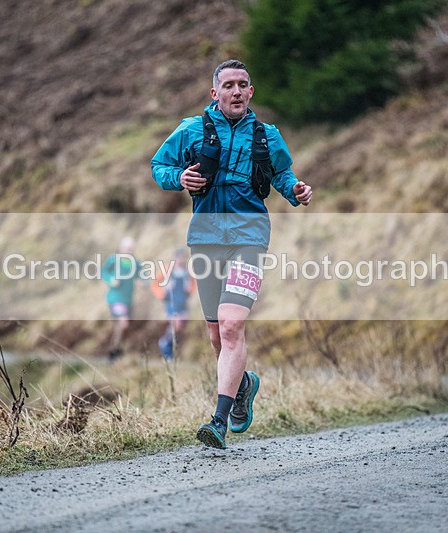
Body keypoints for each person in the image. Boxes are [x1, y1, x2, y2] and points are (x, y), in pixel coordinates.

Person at [151, 59, 312, 448]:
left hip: (249, 237)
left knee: (231, 324)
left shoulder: (266, 135)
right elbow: (160, 166)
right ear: (215, 93)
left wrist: (296, 191)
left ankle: (218, 421)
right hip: (205, 238)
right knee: (215, 336)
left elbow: (282, 175)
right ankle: (244, 386)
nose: (236, 91)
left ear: (251, 92)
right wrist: (179, 178)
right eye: (229, 85)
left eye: (243, 85)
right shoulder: (191, 130)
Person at [101, 236, 141, 361]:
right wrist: (111, 280)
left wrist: (142, 282)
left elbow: (141, 276)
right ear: (121, 248)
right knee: (123, 322)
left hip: (128, 300)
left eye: (131, 249)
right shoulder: (114, 260)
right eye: (127, 248)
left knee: (122, 325)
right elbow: (103, 272)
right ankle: (114, 351)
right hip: (115, 299)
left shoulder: (136, 263)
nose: (129, 251)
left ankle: (115, 349)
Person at [151, 248, 196, 361]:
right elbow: (155, 283)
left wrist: (189, 291)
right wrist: (162, 294)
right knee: (175, 324)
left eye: (184, 257)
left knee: (181, 326)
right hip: (171, 302)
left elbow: (193, 283)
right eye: (179, 257)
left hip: (182, 302)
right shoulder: (167, 269)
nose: (181, 260)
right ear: (175, 257)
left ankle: (171, 348)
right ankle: (165, 345)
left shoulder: (187, 271)